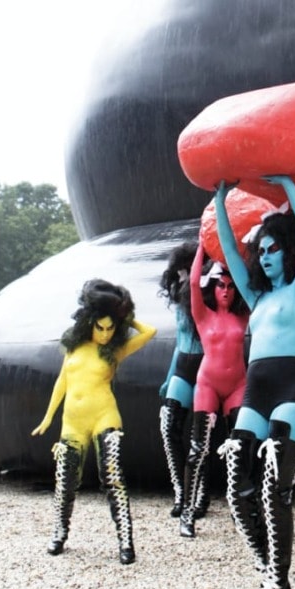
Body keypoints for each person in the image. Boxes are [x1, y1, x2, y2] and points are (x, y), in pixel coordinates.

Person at [214, 176, 295, 589]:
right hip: (256, 392)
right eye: (263, 250)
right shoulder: (256, 297)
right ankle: (270, 569)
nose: (265, 256)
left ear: (288, 251)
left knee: (275, 488)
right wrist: (220, 200)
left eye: (274, 248)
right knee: (237, 486)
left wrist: (289, 187)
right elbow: (231, 254)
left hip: (292, 391)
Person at [32, 279, 156, 564]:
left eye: (110, 328)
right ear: (89, 322)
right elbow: (62, 381)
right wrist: (48, 417)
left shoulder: (115, 349)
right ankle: (59, 533)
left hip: (104, 416)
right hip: (72, 422)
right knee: (65, 481)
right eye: (99, 326)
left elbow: (151, 332)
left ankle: (126, 541)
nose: (104, 333)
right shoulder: (73, 346)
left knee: (112, 477)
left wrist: (126, 315)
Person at [179, 241, 249, 538]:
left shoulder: (241, 317)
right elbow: (194, 283)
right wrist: (202, 249)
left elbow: (250, 286)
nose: (225, 290)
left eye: (230, 286)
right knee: (199, 450)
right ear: (214, 287)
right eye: (220, 285)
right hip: (208, 383)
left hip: (237, 384)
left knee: (239, 448)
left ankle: (240, 508)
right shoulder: (203, 315)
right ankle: (187, 511)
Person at [157, 242, 204, 519]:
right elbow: (179, 341)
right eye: (180, 272)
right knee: (169, 426)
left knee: (201, 435)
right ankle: (181, 492)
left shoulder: (207, 296)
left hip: (205, 367)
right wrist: (169, 376)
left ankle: (199, 495)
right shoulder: (179, 301)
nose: (183, 277)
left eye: (187, 271)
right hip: (184, 363)